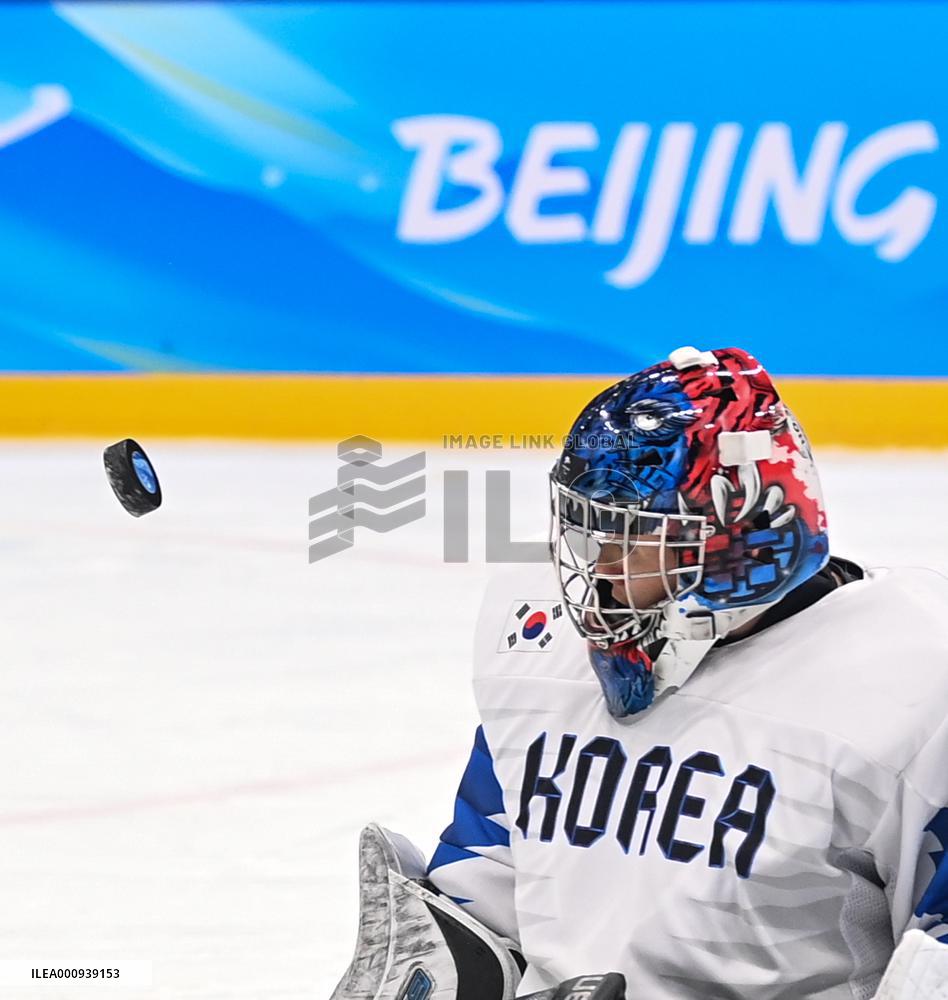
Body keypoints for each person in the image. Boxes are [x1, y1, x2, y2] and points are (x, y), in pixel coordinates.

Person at [331, 347, 948, 1000]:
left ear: (738, 540)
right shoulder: (539, 646)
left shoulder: (915, 678)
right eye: (592, 533)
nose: (602, 570)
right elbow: (490, 873)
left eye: (637, 538)